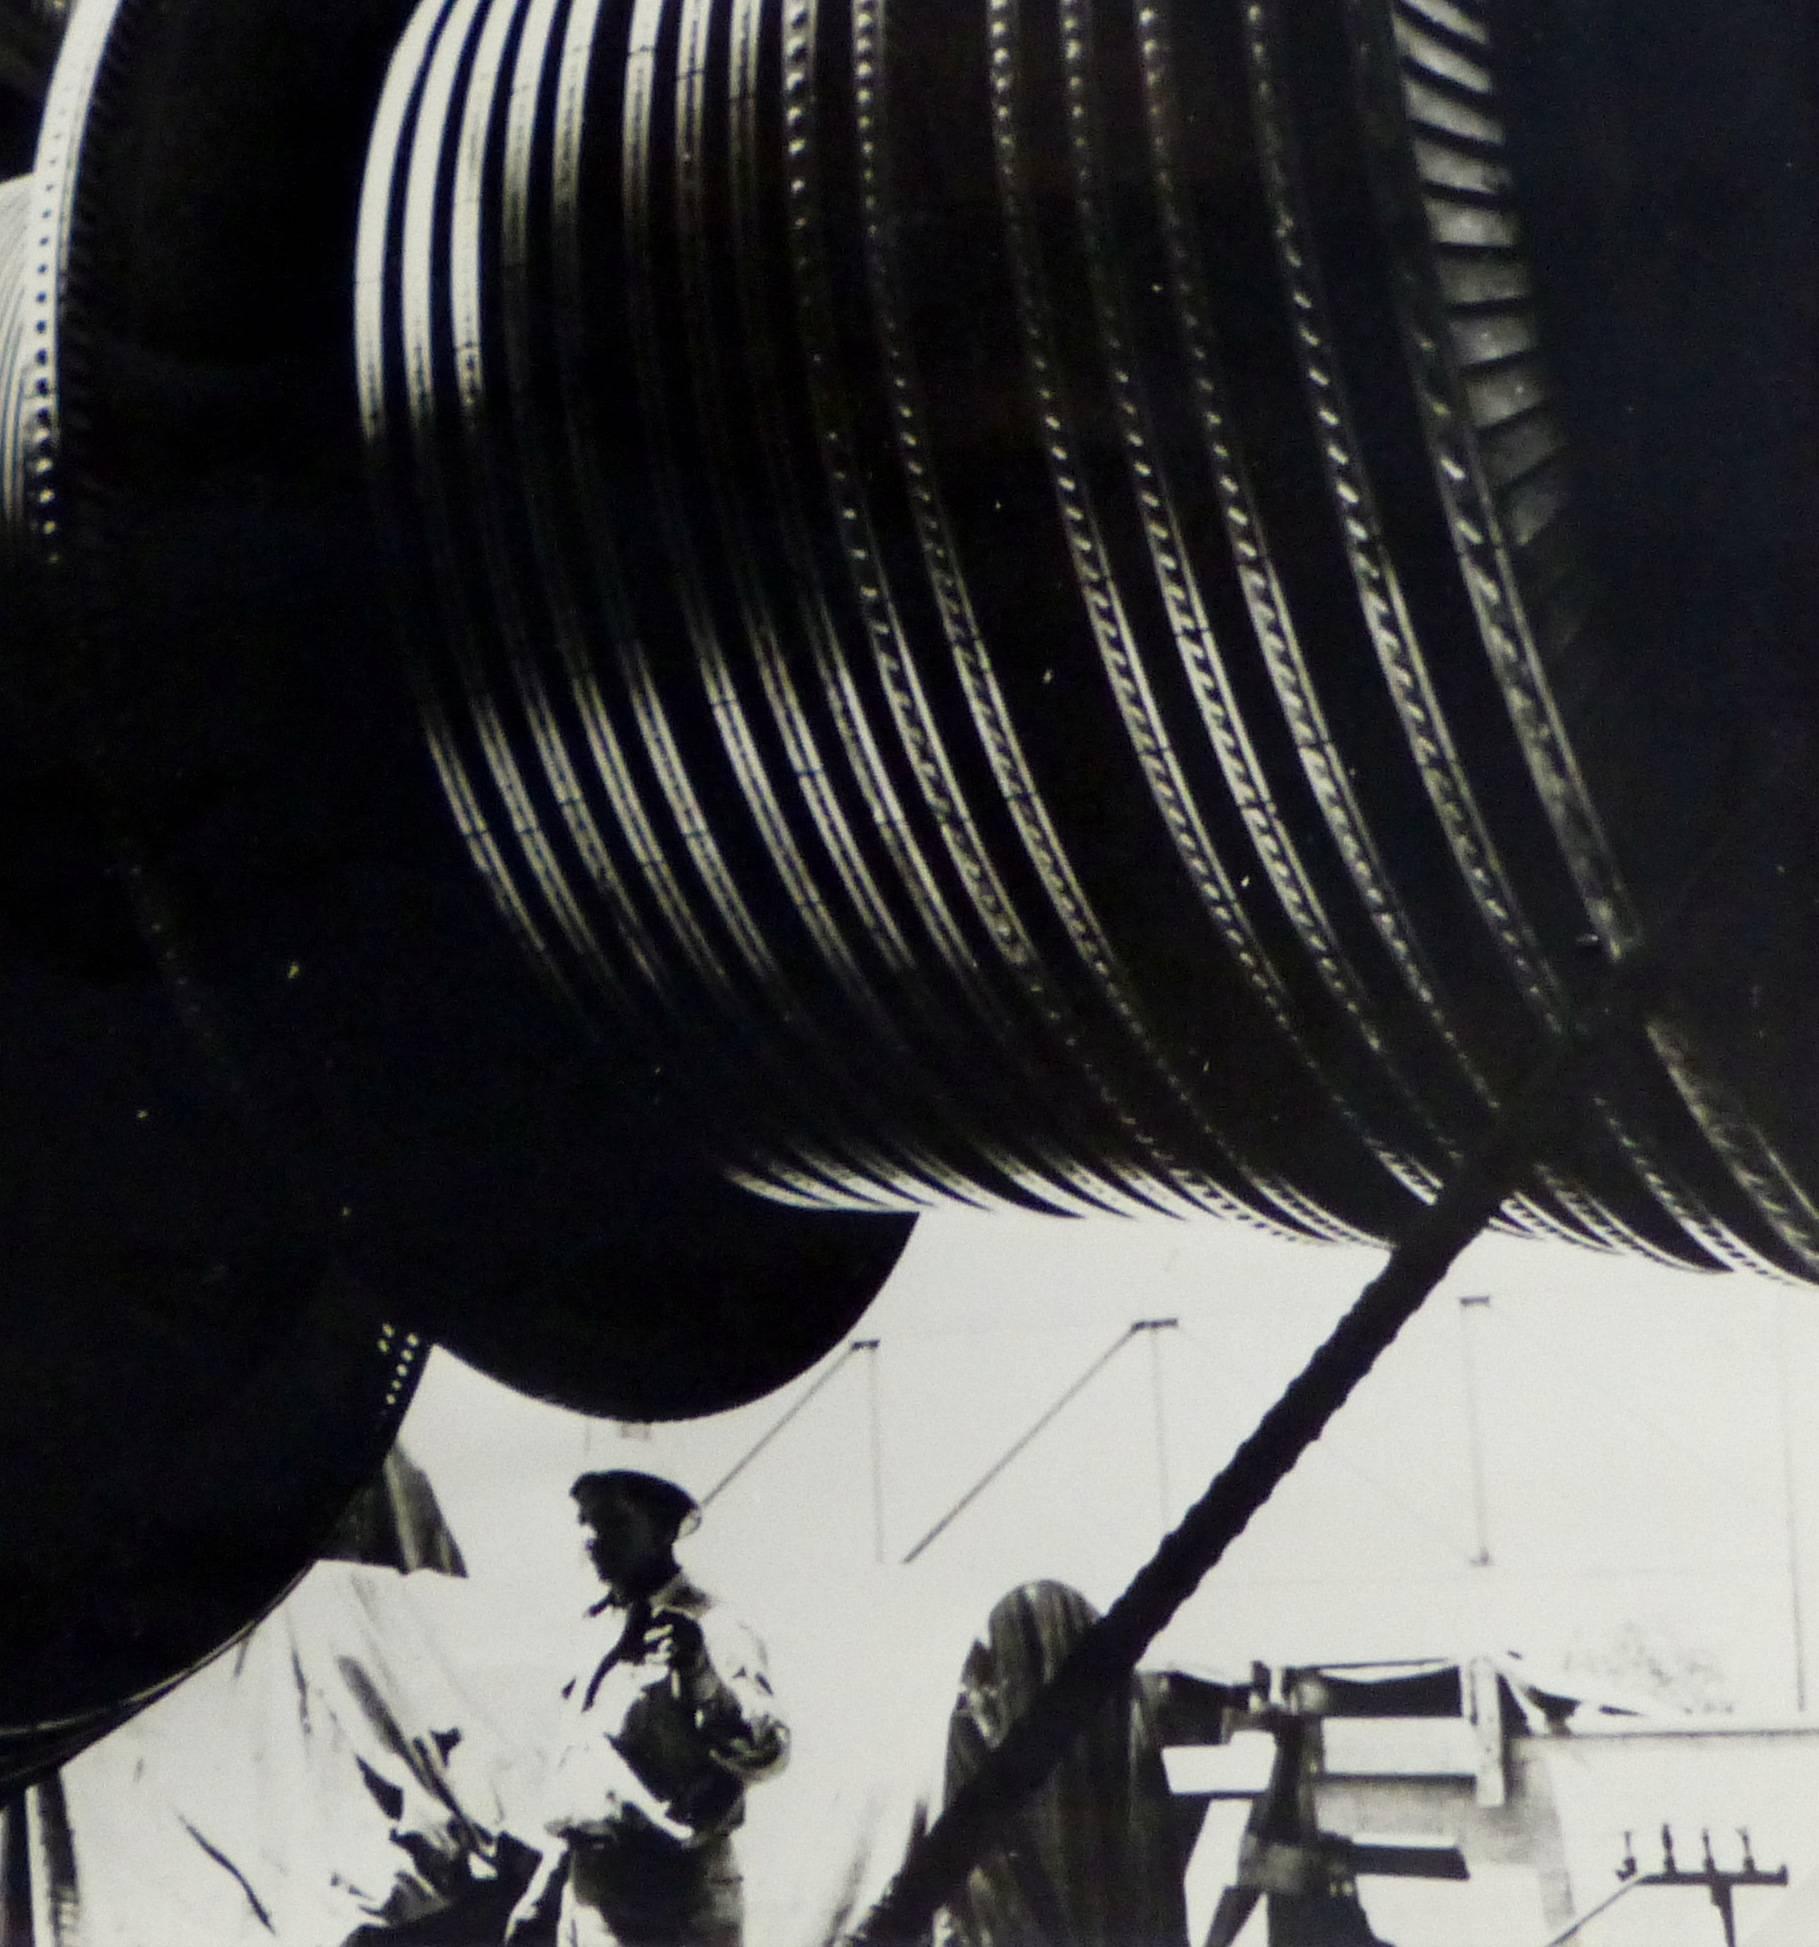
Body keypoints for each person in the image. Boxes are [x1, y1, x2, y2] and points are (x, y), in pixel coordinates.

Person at [504, 1471, 788, 1947]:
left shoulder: (713, 1628)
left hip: (671, 1904)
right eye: (584, 1521)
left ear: (663, 1529)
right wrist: (543, 1894)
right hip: (590, 1896)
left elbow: (769, 1750)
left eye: (612, 1520)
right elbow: (589, 1777)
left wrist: (700, 1675)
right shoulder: (593, 1633)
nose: (591, 1538)